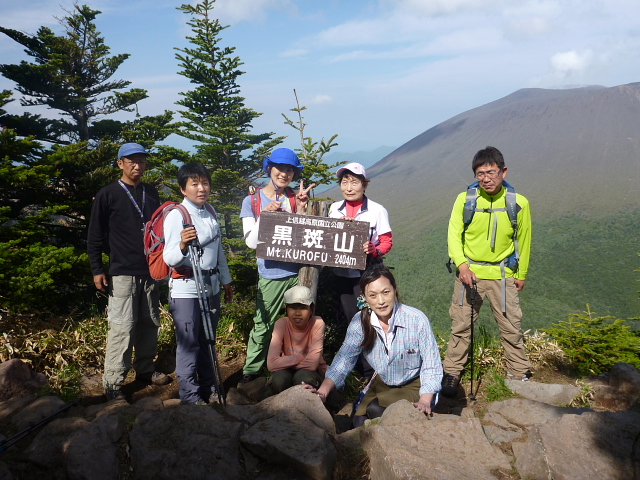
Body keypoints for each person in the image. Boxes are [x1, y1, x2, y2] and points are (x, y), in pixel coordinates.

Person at [441, 146, 533, 398]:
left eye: (491, 172)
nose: (486, 178)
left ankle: (518, 371)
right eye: (480, 173)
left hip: (503, 276)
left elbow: (524, 241)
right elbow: (453, 234)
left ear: (504, 171)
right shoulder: (465, 200)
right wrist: (461, 266)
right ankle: (451, 373)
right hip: (469, 274)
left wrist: (521, 273)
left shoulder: (519, 203)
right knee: (461, 325)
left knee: (511, 325)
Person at [304, 265, 442, 427]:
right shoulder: (360, 322)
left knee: (376, 411)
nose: (381, 301)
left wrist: (425, 400)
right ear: (364, 297)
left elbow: (431, 365)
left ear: (395, 289)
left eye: (386, 292)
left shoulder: (416, 320)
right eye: (373, 295)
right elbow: (344, 360)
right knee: (358, 422)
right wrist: (322, 392)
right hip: (383, 382)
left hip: (414, 383)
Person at [87, 143, 170, 401]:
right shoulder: (108, 194)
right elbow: (95, 235)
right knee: (123, 327)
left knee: (149, 321)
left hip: (150, 270)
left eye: (141, 161)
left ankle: (145, 368)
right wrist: (97, 269)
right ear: (120, 163)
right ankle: (113, 383)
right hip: (122, 271)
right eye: (131, 161)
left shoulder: (151, 192)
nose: (137, 165)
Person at [238, 148, 314, 386]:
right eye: (280, 168)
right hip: (271, 273)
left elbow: (303, 236)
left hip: (298, 273)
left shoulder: (294, 197)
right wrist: (265, 216)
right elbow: (251, 242)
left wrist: (301, 209)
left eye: (290, 170)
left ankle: (296, 367)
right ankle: (252, 371)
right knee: (264, 324)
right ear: (269, 168)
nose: (284, 173)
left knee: (300, 325)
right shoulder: (252, 201)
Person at [163, 163, 233, 405]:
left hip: (211, 286)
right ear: (183, 188)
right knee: (189, 343)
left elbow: (218, 250)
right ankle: (190, 397)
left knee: (207, 339)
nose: (201, 188)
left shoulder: (210, 212)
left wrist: (226, 280)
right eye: (194, 184)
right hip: (186, 289)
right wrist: (182, 245)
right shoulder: (177, 215)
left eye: (205, 183)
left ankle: (209, 387)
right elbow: (169, 259)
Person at [328, 162, 392, 379]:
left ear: (364, 185)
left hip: (365, 277)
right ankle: (358, 367)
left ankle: (372, 369)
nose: (349, 187)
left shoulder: (377, 210)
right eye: (344, 182)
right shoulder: (334, 209)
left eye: (354, 182)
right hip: (341, 275)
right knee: (351, 319)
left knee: (369, 319)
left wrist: (374, 249)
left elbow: (386, 242)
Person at [266, 285, 327, 395]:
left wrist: (284, 361)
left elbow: (312, 364)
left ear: (311, 310)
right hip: (286, 370)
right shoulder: (281, 324)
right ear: (286, 309)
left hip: (307, 371)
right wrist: (301, 357)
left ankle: (305, 410)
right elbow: (271, 364)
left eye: (303, 308)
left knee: (304, 379)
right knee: (279, 380)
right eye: (293, 308)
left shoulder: (317, 324)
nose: (298, 313)